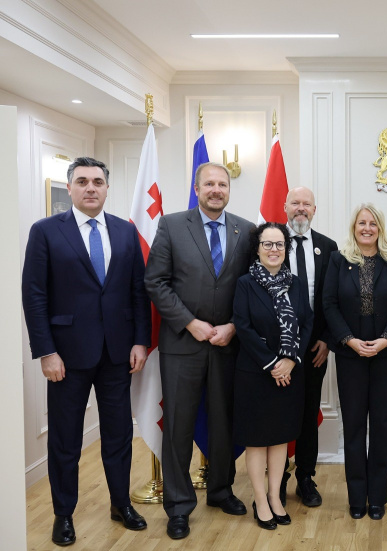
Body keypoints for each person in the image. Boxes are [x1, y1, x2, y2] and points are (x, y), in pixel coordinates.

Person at [21, 157, 151, 546]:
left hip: (116, 353)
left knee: (118, 436)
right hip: (66, 356)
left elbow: (137, 292)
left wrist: (140, 340)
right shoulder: (45, 231)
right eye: (82, 181)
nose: (90, 188)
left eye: (97, 181)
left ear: (107, 188)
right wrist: (46, 351)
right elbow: (35, 295)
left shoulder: (126, 232)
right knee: (65, 440)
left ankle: (119, 503)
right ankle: (63, 514)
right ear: (71, 188)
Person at [145, 162, 255, 540]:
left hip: (228, 345)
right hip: (182, 346)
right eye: (209, 183)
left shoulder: (247, 230)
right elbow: (155, 282)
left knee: (225, 422)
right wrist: (191, 323)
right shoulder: (172, 225)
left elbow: (254, 288)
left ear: (229, 190)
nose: (216, 190)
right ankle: (178, 506)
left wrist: (234, 327)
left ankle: (221, 491)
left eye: (222, 184)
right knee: (178, 426)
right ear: (197, 187)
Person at [323, 203, 387, 520]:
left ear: (380, 228)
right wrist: (349, 340)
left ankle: (378, 499)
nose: (367, 228)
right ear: (354, 227)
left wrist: (386, 338)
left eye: (373, 223)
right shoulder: (338, 259)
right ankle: (357, 498)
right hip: (350, 354)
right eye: (362, 223)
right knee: (355, 427)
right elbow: (329, 304)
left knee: (384, 426)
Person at [232, 222, 313, 530]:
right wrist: (272, 363)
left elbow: (307, 323)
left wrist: (290, 360)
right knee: (256, 442)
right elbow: (243, 326)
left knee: (280, 439)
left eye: (279, 244)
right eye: (268, 244)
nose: (274, 250)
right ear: (258, 248)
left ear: (286, 249)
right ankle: (260, 501)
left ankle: (275, 497)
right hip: (255, 374)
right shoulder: (245, 283)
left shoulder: (296, 283)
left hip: (290, 374)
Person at [280, 187, 338, 507]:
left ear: (315, 210)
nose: (301, 209)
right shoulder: (271, 241)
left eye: (307, 204)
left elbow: (332, 299)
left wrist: (327, 339)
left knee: (307, 411)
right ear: (285, 206)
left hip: (315, 347)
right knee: (277, 412)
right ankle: (277, 478)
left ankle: (305, 476)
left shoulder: (327, 247)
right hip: (279, 346)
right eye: (296, 203)